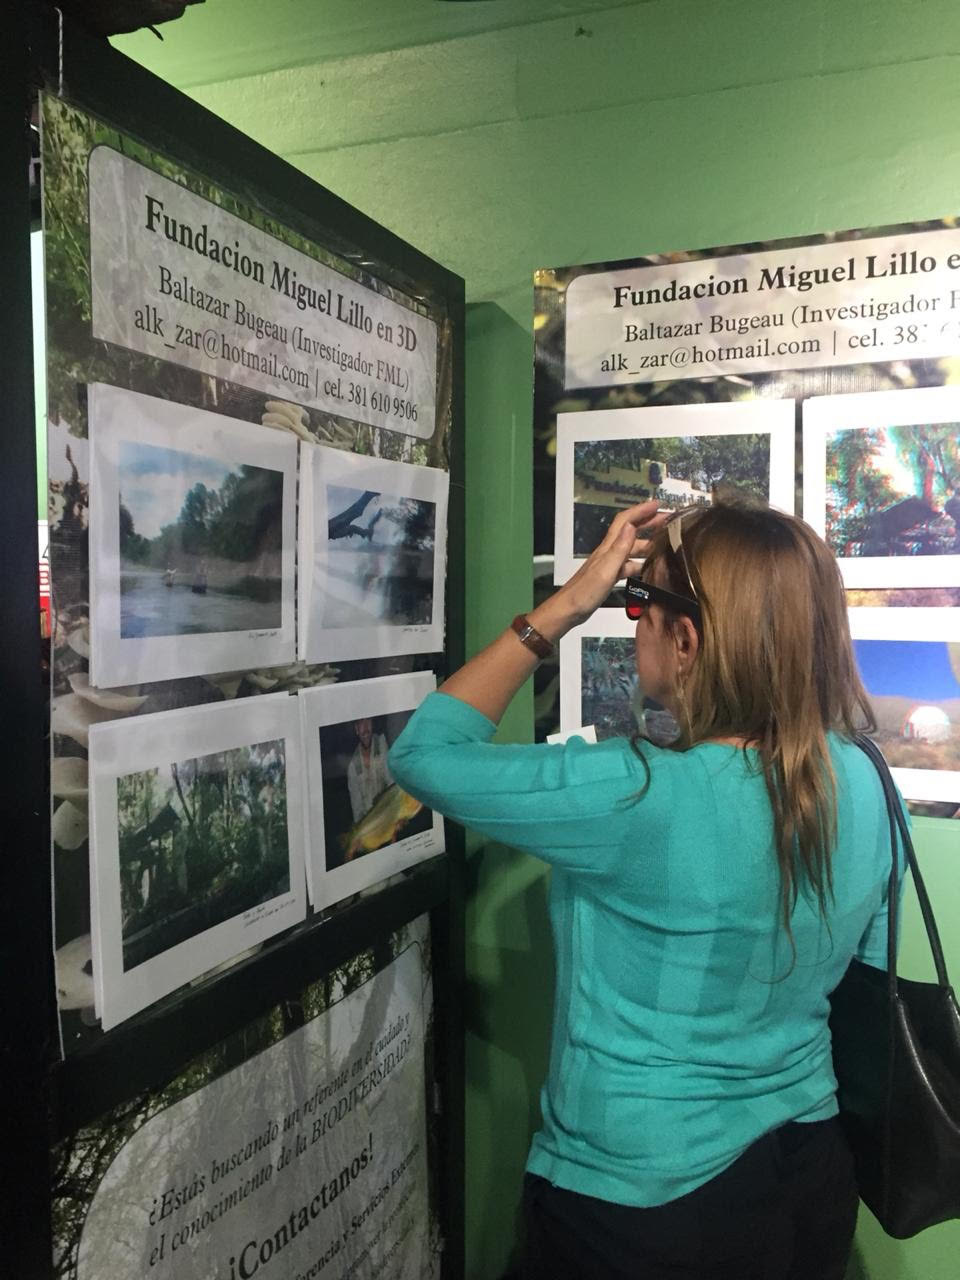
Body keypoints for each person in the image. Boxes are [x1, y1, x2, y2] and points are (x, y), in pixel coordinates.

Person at [389, 497, 901, 1280]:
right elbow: (861, 971)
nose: (633, 626)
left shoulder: (634, 792)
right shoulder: (867, 778)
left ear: (686, 638)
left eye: (638, 606)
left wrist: (563, 605)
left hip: (643, 1205)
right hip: (812, 1173)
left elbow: (424, 753)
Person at [346, 716, 391, 823]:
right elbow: (357, 810)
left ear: (372, 724)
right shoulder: (352, 767)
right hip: (368, 823)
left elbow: (391, 781)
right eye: (361, 723)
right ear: (356, 729)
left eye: (368, 721)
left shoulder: (381, 744)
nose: (365, 728)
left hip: (386, 814)